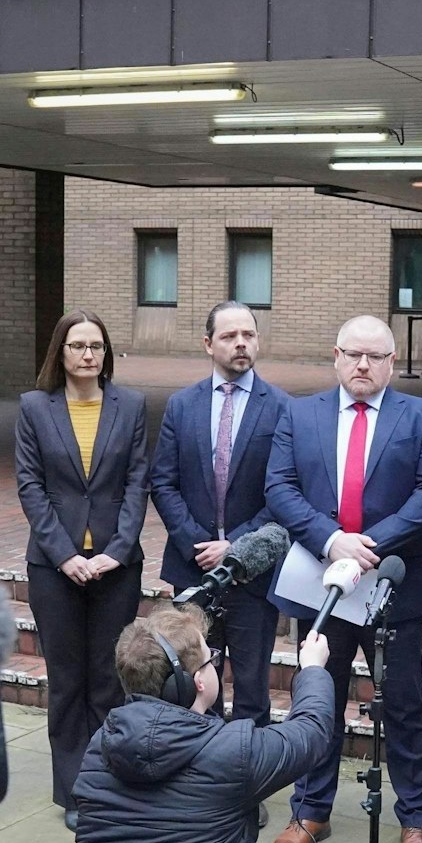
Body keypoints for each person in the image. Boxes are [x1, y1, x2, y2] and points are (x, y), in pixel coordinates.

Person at [263, 315, 422, 843]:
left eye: (375, 356)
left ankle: (417, 819)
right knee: (319, 695)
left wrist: (367, 544)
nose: (363, 365)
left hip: (393, 579)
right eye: (353, 354)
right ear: (336, 356)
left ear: (393, 362)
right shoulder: (300, 414)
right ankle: (310, 810)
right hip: (322, 581)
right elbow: (279, 487)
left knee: (404, 703)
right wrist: (330, 541)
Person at [71, 605, 363, 843]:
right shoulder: (227, 753)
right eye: (210, 657)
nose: (214, 663)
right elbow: (311, 734)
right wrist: (314, 669)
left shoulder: (100, 746)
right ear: (197, 681)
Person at [15, 309, 150, 832]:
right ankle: (74, 791)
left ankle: (107, 782)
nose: (88, 354)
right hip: (55, 567)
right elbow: (30, 485)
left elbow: (138, 482)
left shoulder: (131, 404)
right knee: (68, 681)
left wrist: (117, 549)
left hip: (116, 566)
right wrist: (64, 555)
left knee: (110, 680)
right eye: (78, 346)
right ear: (61, 353)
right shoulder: (34, 408)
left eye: (96, 345)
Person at [149, 301, 285, 728]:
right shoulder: (181, 405)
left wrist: (236, 548)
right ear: (209, 344)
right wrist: (198, 545)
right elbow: (163, 482)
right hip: (193, 570)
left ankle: (248, 788)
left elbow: (282, 491)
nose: (240, 343)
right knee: (193, 687)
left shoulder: (282, 407)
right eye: (229, 336)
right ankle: (201, 786)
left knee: (252, 690)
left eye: (248, 335)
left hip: (254, 574)